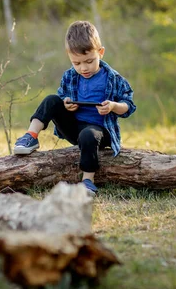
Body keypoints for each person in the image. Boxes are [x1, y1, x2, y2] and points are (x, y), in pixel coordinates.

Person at [13, 21, 136, 196]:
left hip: (100, 132)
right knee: (51, 100)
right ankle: (30, 136)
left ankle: (88, 181)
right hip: (74, 128)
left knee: (89, 135)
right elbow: (62, 96)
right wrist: (66, 103)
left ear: (100, 52)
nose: (83, 68)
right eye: (77, 63)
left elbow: (129, 106)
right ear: (69, 57)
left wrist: (113, 106)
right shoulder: (70, 75)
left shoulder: (113, 78)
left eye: (89, 61)